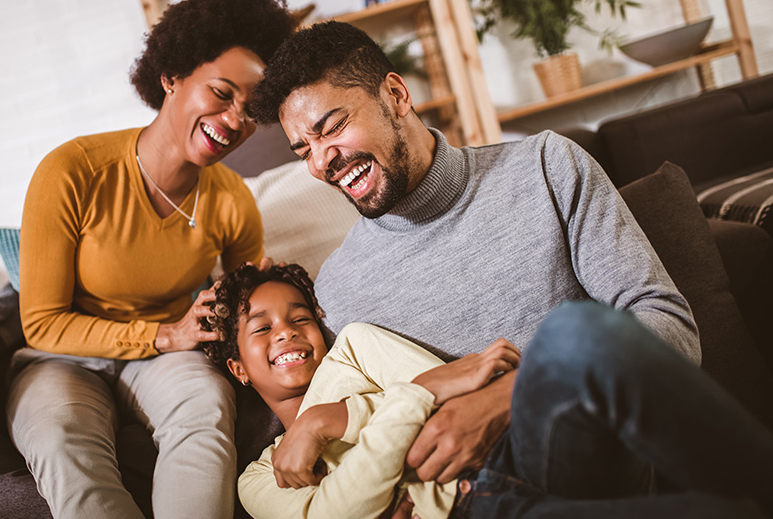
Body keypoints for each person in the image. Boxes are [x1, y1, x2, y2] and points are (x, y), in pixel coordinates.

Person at [247, 21, 773, 518]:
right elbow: (353, 437)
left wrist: (506, 398)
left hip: (588, 459)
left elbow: (669, 324)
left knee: (573, 333)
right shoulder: (338, 289)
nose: (321, 163)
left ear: (396, 95)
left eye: (332, 127)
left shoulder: (545, 167)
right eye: (304, 150)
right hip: (472, 502)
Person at [6, 2, 295, 518]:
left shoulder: (231, 199)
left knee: (206, 407)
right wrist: (164, 335)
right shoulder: (72, 171)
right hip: (63, 358)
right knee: (59, 437)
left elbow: (242, 305)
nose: (234, 121)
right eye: (222, 93)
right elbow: (41, 324)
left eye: (250, 110)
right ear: (172, 76)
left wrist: (252, 302)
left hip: (167, 360)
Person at [201, 263, 521, 519]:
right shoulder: (258, 479)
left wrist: (326, 420)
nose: (286, 330)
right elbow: (335, 513)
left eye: (301, 318)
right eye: (262, 327)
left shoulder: (354, 349)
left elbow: (460, 413)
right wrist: (414, 394)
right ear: (238, 369)